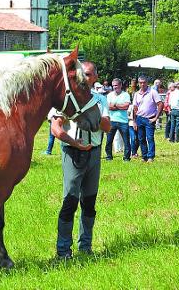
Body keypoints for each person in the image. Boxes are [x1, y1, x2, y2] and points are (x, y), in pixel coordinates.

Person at [51, 61, 110, 258]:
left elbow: (108, 127)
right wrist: (74, 142)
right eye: (82, 74)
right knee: (70, 201)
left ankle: (85, 247)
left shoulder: (100, 100)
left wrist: (91, 113)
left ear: (96, 77)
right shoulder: (69, 98)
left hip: (94, 152)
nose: (85, 77)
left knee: (89, 201)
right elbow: (56, 128)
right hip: (73, 152)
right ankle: (63, 250)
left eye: (89, 74)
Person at [132, 76, 163, 162]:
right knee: (141, 138)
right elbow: (134, 108)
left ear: (147, 83)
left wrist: (156, 118)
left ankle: (150, 156)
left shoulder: (153, 92)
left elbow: (160, 104)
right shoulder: (136, 94)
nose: (142, 84)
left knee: (150, 138)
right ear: (138, 83)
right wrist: (134, 121)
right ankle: (144, 156)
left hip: (149, 118)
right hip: (139, 118)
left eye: (144, 82)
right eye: (141, 82)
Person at [105, 78, 130, 161]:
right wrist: (120, 106)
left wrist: (115, 105)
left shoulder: (125, 95)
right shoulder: (109, 95)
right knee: (109, 141)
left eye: (116, 85)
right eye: (113, 86)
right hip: (112, 121)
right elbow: (109, 107)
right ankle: (109, 157)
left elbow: (126, 107)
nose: (114, 87)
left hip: (123, 121)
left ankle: (126, 158)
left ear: (120, 85)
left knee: (126, 141)